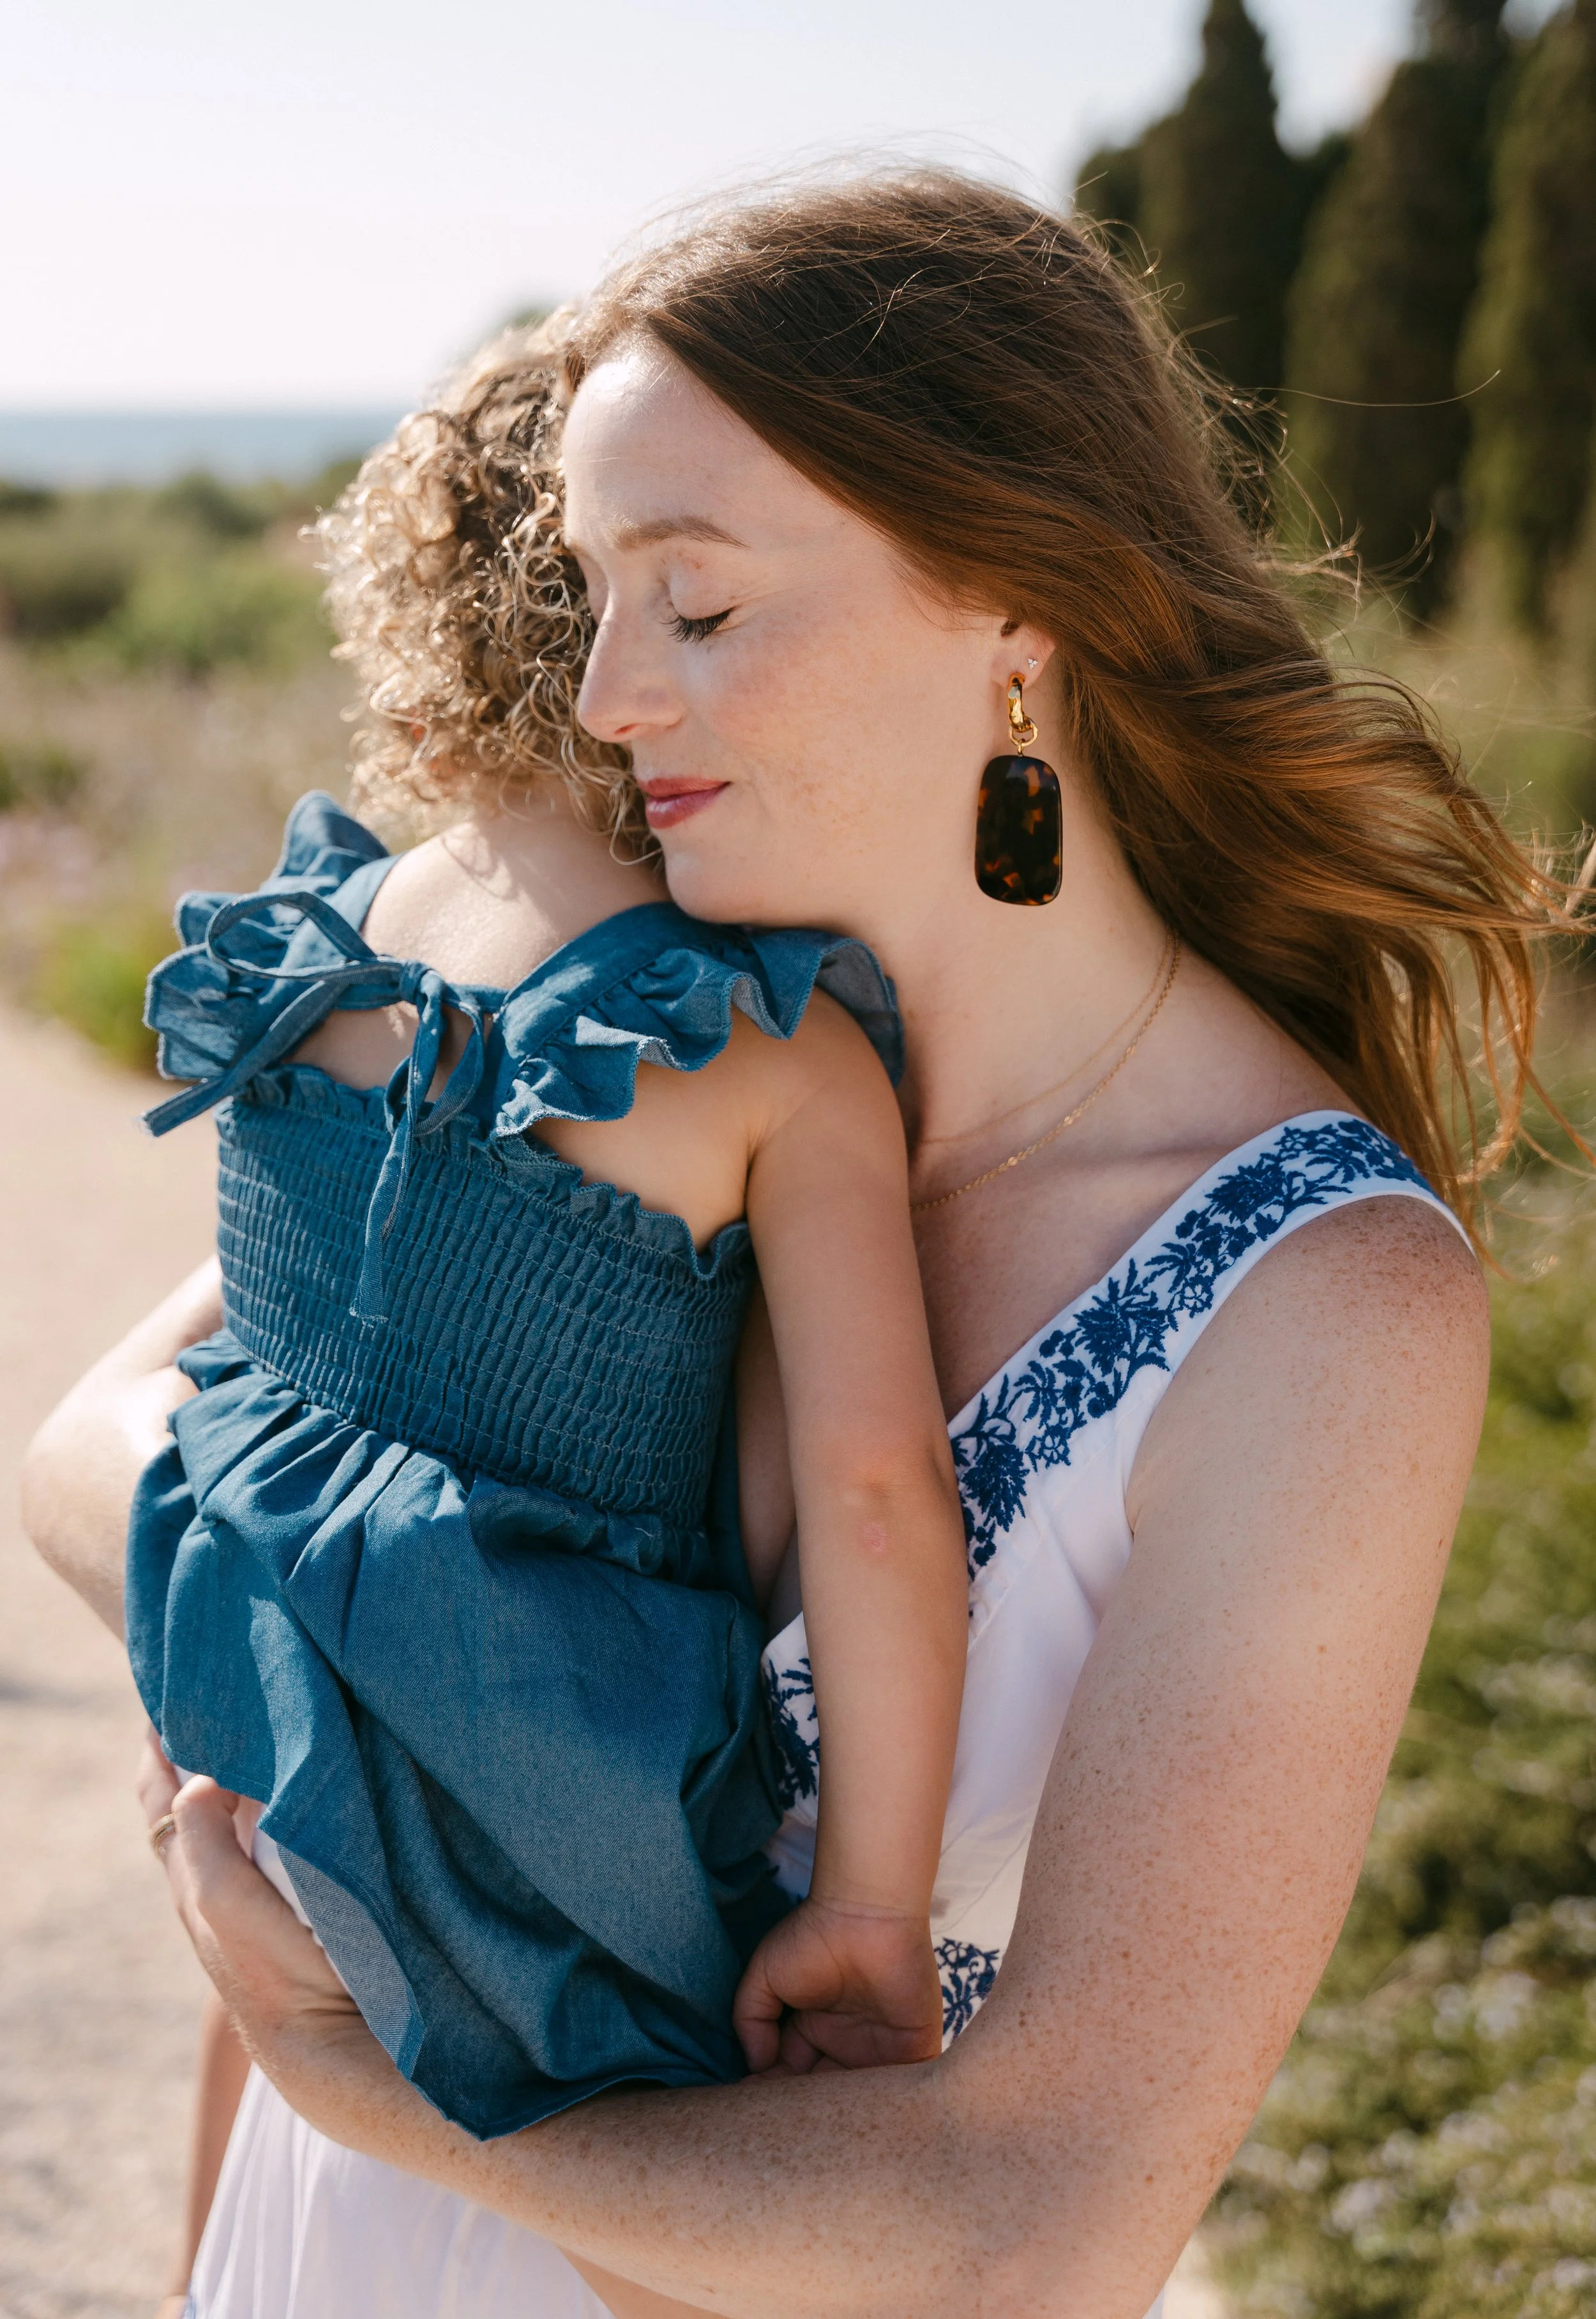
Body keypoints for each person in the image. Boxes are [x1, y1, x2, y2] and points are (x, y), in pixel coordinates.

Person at [25, 167, 1555, 2318]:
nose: (615, 695)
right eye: (591, 595)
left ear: (1016, 600)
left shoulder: (1315, 1303)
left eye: (703, 603)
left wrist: (356, 2060)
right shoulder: (653, 1061)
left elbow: (1039, 2231)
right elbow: (110, 1441)